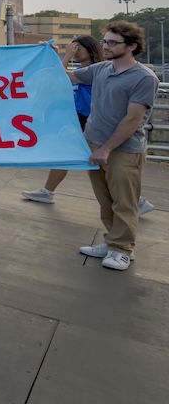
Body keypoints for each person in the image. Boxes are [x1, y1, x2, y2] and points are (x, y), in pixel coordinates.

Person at [21, 36, 156, 215]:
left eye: (79, 48)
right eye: (73, 48)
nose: (75, 52)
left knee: (103, 165)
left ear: (90, 50)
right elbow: (62, 75)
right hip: (79, 119)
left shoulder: (99, 70)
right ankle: (47, 191)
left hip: (91, 120)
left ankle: (135, 202)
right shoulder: (87, 70)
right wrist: (54, 55)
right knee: (66, 154)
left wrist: (66, 55)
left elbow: (61, 77)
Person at [63, 22, 159, 270]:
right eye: (104, 41)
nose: (105, 46)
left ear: (132, 46)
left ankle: (122, 250)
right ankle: (112, 242)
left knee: (124, 202)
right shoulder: (102, 68)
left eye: (112, 42)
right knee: (105, 200)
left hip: (123, 150)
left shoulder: (144, 78)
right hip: (93, 144)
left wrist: (106, 149)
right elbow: (68, 77)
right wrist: (53, 56)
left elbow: (133, 119)